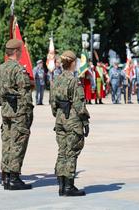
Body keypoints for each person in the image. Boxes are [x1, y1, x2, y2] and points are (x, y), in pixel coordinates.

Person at [50, 50, 90, 197]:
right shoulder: (74, 80)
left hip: (60, 119)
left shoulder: (57, 79)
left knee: (62, 151)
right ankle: (69, 186)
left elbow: (52, 103)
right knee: (72, 152)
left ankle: (61, 185)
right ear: (73, 63)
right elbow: (79, 104)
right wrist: (85, 121)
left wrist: (58, 114)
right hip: (73, 121)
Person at [0, 39, 34, 190]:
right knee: (18, 143)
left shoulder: (1, 68)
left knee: (7, 142)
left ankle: (6, 175)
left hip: (6, 111)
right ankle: (14, 177)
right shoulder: (19, 69)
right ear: (17, 51)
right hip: (19, 112)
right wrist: (28, 112)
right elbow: (24, 93)